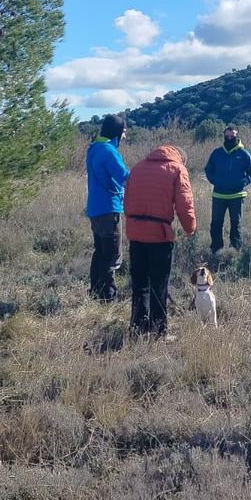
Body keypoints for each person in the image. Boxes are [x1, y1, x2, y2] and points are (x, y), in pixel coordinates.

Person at [123, 145, 197, 340]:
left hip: (135, 233)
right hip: (159, 235)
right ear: (181, 158)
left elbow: (127, 201)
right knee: (159, 284)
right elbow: (185, 204)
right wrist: (190, 228)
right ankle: (159, 331)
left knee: (140, 284)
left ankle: (138, 328)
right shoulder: (177, 169)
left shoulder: (138, 167)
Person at [85, 114, 129, 301]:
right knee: (111, 254)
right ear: (117, 132)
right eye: (124, 132)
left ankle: (95, 291)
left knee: (100, 251)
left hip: (95, 208)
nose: (125, 136)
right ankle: (108, 296)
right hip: (109, 207)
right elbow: (125, 177)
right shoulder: (109, 151)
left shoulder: (94, 148)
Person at [204, 125, 251, 252]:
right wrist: (215, 181)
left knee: (236, 224)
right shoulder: (216, 153)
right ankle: (216, 250)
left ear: (236, 135)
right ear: (224, 135)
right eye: (227, 136)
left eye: (232, 136)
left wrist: (243, 182)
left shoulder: (244, 154)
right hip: (219, 195)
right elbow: (208, 169)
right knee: (216, 224)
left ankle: (235, 250)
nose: (229, 138)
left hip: (237, 196)